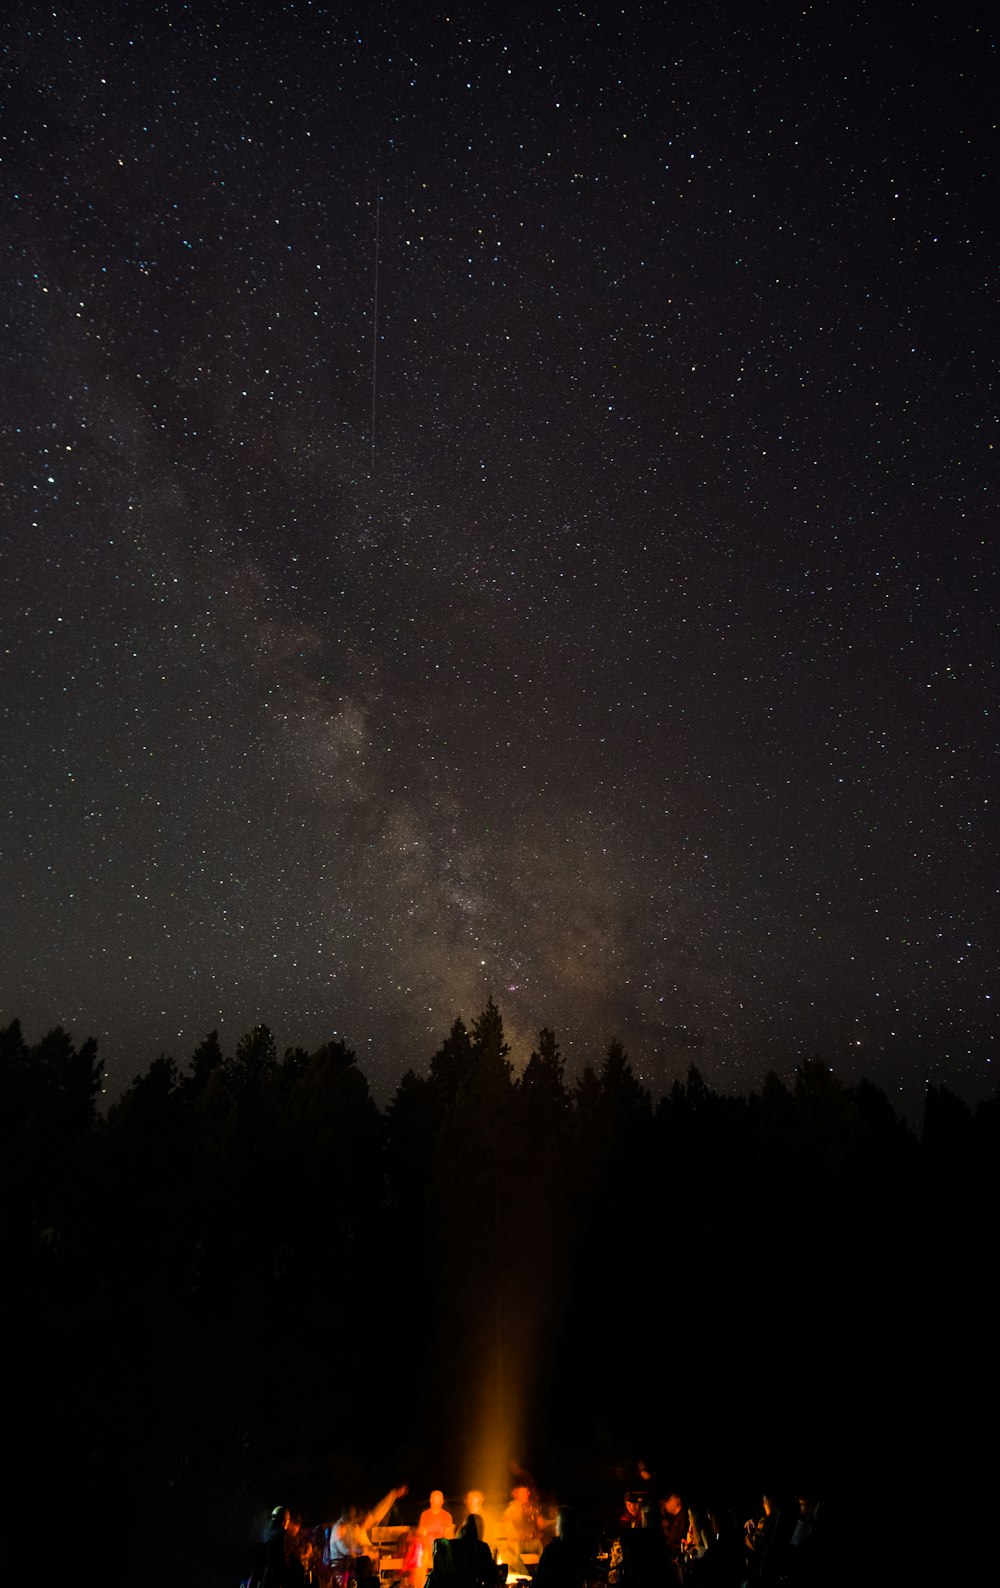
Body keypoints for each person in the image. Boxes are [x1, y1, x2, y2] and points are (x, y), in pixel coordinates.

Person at [328, 1486, 409, 1569]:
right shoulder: (343, 1528)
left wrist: (393, 1495)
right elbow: (357, 1549)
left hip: (353, 1566)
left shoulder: (356, 1528)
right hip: (341, 1570)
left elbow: (376, 1515)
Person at [534, 1506, 588, 1588]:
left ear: (560, 1526)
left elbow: (538, 1581)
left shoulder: (551, 1550)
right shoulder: (580, 1549)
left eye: (556, 1523)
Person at [414, 1491, 455, 1588]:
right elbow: (422, 1534)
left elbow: (448, 1535)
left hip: (440, 1547)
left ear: (442, 1501)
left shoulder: (447, 1516)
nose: (436, 1502)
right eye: (434, 1499)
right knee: (421, 1557)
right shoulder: (425, 1515)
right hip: (427, 1547)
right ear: (430, 1500)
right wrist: (428, 1546)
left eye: (438, 1500)